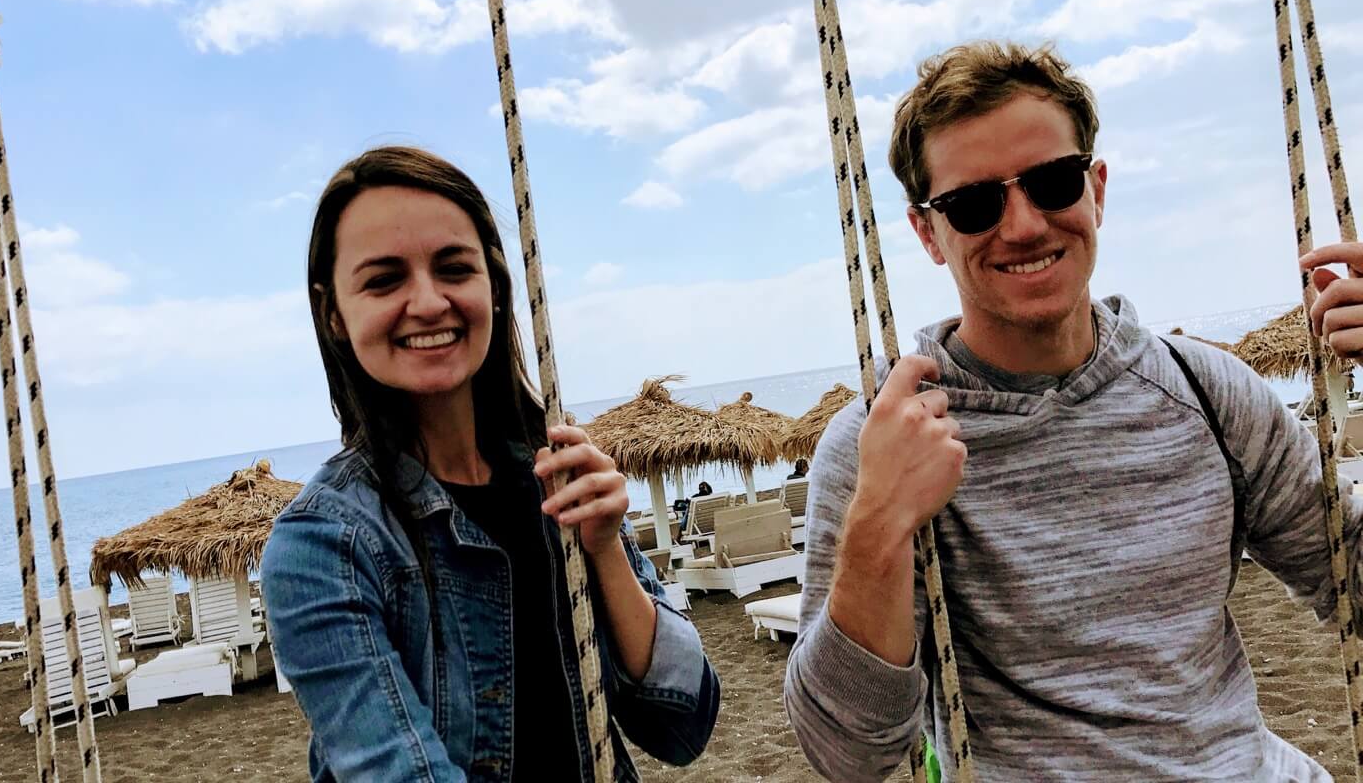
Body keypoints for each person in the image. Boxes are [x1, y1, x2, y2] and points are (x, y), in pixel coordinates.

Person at [784, 40, 1363, 781]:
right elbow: (847, 752)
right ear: (929, 233)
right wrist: (877, 527)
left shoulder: (1210, 394)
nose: (1023, 225)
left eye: (1052, 182)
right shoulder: (883, 441)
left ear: (1096, 188)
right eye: (973, 203)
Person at [261, 147, 720, 782]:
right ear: (334, 313)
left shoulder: (557, 477)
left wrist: (607, 551)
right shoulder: (324, 548)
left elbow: (683, 722)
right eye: (384, 279)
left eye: (453, 268)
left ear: (495, 290)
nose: (427, 302)